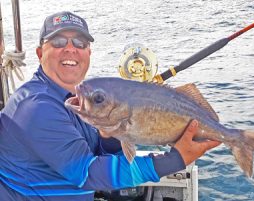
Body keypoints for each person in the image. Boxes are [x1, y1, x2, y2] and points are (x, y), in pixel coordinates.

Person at [0, 11, 221, 201]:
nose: (70, 49)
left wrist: (113, 133)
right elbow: (90, 174)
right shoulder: (35, 107)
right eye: (58, 42)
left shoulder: (74, 100)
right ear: (40, 53)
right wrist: (176, 159)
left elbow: (98, 154)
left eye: (80, 43)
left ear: (88, 53)